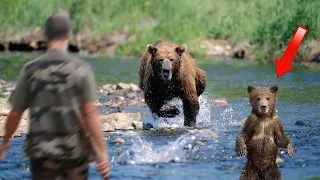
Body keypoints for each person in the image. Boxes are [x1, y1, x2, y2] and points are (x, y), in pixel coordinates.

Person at [0, 13, 110, 180]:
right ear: (68, 35)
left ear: (46, 35)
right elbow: (89, 114)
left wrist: (6, 141)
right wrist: (102, 153)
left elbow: (15, 113)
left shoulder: (31, 70)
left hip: (43, 155)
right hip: (76, 154)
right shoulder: (81, 69)